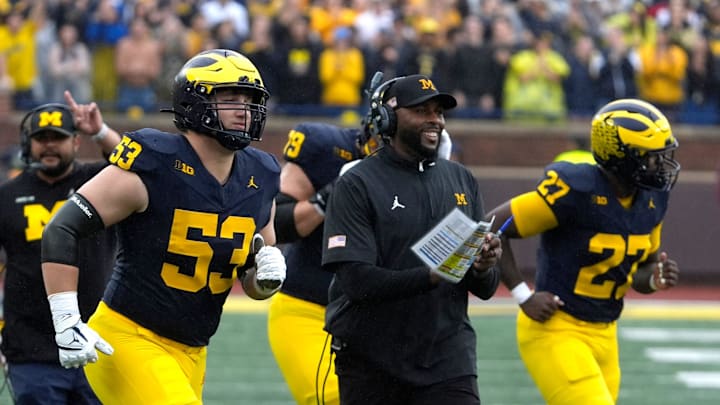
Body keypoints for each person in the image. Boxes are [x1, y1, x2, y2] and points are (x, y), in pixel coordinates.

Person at [40, 49, 287, 405]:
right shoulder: (155, 162)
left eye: (250, 100)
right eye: (229, 98)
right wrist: (66, 320)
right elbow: (61, 229)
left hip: (193, 351)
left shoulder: (261, 175)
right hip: (129, 338)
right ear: (194, 103)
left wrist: (265, 279)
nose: (243, 110)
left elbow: (251, 283)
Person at [321, 74, 502, 405]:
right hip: (371, 358)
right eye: (421, 111)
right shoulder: (357, 183)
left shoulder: (461, 178)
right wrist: (431, 275)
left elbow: (486, 288)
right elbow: (355, 280)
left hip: (448, 356)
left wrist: (483, 266)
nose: (434, 120)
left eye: (439, 112)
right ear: (388, 118)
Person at [486, 98, 682, 405]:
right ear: (621, 157)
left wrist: (654, 279)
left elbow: (641, 273)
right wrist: (522, 295)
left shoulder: (652, 200)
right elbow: (492, 225)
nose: (660, 166)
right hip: (557, 329)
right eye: (650, 157)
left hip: (605, 334)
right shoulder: (576, 190)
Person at [268, 119, 453, 404]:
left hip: (381, 320)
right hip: (309, 309)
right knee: (335, 398)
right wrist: (332, 195)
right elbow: (279, 225)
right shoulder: (325, 147)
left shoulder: (429, 163)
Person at [0, 92, 121, 404]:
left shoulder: (98, 181)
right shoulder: (7, 195)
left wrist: (100, 131)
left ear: (77, 142)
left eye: (58, 137)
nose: (49, 145)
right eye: (41, 138)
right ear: (29, 143)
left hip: (96, 339)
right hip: (31, 348)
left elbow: (132, 162)